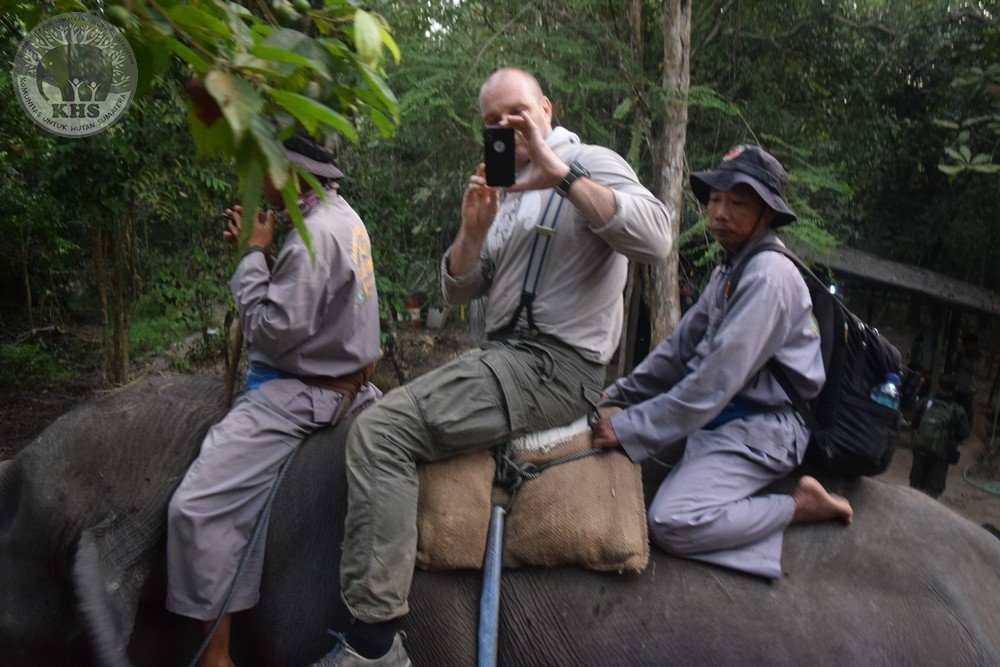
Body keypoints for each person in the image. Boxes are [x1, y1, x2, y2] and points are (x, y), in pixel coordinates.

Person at [313, 67, 671, 665]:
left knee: (381, 433)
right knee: (389, 417)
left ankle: (374, 644)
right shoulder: (506, 189)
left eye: (516, 112)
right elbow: (460, 289)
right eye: (492, 120)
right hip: (501, 359)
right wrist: (473, 230)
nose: (505, 125)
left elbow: (657, 239)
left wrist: (560, 175)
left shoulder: (592, 161)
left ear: (546, 109)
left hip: (555, 366)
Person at [166, 131, 381, 667]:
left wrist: (252, 256)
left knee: (197, 509)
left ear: (291, 175)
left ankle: (216, 657)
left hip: (306, 394)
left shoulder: (313, 236)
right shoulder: (342, 217)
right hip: (351, 381)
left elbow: (268, 331)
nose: (255, 178)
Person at [591, 144, 853, 580]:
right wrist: (614, 395)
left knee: (670, 520)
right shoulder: (730, 269)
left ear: (767, 213)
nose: (719, 213)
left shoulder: (768, 277)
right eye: (714, 200)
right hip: (722, 413)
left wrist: (630, 427)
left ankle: (798, 507)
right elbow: (678, 352)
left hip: (763, 426)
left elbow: (714, 381)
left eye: (737, 203)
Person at [909, 374, 970, 498]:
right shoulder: (957, 411)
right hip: (941, 454)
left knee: (915, 488)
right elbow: (964, 434)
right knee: (932, 491)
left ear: (938, 386)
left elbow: (913, 422)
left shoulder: (925, 403)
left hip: (920, 449)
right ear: (954, 390)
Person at [951, 332, 981, 424]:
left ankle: (967, 427)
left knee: (967, 411)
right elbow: (952, 363)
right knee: (954, 408)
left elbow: (973, 368)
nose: (967, 346)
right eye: (966, 344)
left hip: (968, 388)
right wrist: (958, 354)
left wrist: (963, 357)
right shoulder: (961, 354)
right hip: (957, 386)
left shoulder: (978, 356)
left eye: (969, 344)